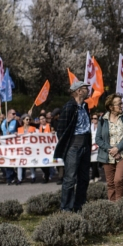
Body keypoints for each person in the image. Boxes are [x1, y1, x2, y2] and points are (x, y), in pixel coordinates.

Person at [54, 81, 92, 212]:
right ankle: (66, 208)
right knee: (70, 178)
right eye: (86, 88)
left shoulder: (85, 106)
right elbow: (61, 130)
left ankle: (79, 205)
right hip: (73, 145)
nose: (88, 90)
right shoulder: (69, 107)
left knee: (84, 178)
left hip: (85, 144)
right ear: (79, 91)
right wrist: (68, 146)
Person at [95, 93, 123, 201]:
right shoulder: (103, 119)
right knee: (111, 184)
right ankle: (113, 209)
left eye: (122, 103)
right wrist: (111, 150)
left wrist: (118, 148)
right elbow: (98, 139)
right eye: (119, 104)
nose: (122, 105)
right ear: (111, 107)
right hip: (107, 155)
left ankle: (121, 206)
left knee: (118, 180)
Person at [0, 109, 20, 185]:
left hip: (13, 143)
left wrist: (16, 132)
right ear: (8, 114)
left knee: (12, 160)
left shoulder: (16, 122)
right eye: (13, 113)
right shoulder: (3, 121)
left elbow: (21, 129)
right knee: (6, 160)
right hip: (4, 143)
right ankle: (11, 175)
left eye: (15, 113)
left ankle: (9, 178)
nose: (15, 115)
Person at [18, 114, 37, 183]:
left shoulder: (33, 128)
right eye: (27, 119)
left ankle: (33, 177)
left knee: (31, 163)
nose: (28, 121)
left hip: (30, 149)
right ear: (23, 120)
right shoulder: (19, 129)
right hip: (22, 149)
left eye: (29, 119)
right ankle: (19, 179)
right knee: (19, 163)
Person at [37, 114, 52, 183]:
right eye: (40, 119)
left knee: (47, 162)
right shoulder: (39, 127)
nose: (42, 120)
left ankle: (46, 177)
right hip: (41, 148)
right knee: (41, 163)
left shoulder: (50, 126)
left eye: (43, 118)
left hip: (49, 148)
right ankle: (47, 174)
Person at [89, 113, 101, 183]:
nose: (94, 120)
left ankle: (92, 177)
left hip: (98, 146)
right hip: (91, 146)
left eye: (95, 118)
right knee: (92, 162)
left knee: (94, 162)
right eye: (92, 118)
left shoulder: (100, 126)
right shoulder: (90, 126)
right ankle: (97, 175)